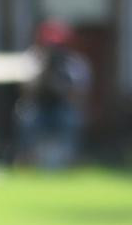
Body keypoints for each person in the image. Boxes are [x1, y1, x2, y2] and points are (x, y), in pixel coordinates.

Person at [14, 18, 91, 168]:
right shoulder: (32, 58)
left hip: (62, 107)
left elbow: (79, 93)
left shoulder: (74, 62)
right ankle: (27, 159)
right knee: (26, 117)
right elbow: (24, 89)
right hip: (38, 106)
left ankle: (70, 160)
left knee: (72, 119)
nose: (54, 48)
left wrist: (61, 85)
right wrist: (43, 74)